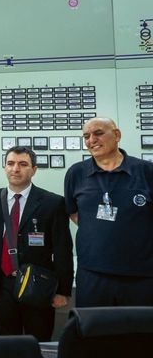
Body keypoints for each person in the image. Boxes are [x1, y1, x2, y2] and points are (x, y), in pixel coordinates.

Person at [0, 146, 72, 340]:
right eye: (11, 163)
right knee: (8, 340)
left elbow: (63, 249)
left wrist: (62, 290)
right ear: (5, 167)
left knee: (39, 339)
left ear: (34, 169)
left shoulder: (52, 203)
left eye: (23, 164)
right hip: (3, 284)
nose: (16, 169)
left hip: (38, 285)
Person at [63, 117, 153, 307]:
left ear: (117, 135)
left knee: (139, 334)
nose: (91, 140)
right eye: (86, 136)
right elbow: (74, 213)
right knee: (93, 333)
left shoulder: (146, 171)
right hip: (92, 274)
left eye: (98, 133)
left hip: (141, 274)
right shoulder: (76, 173)